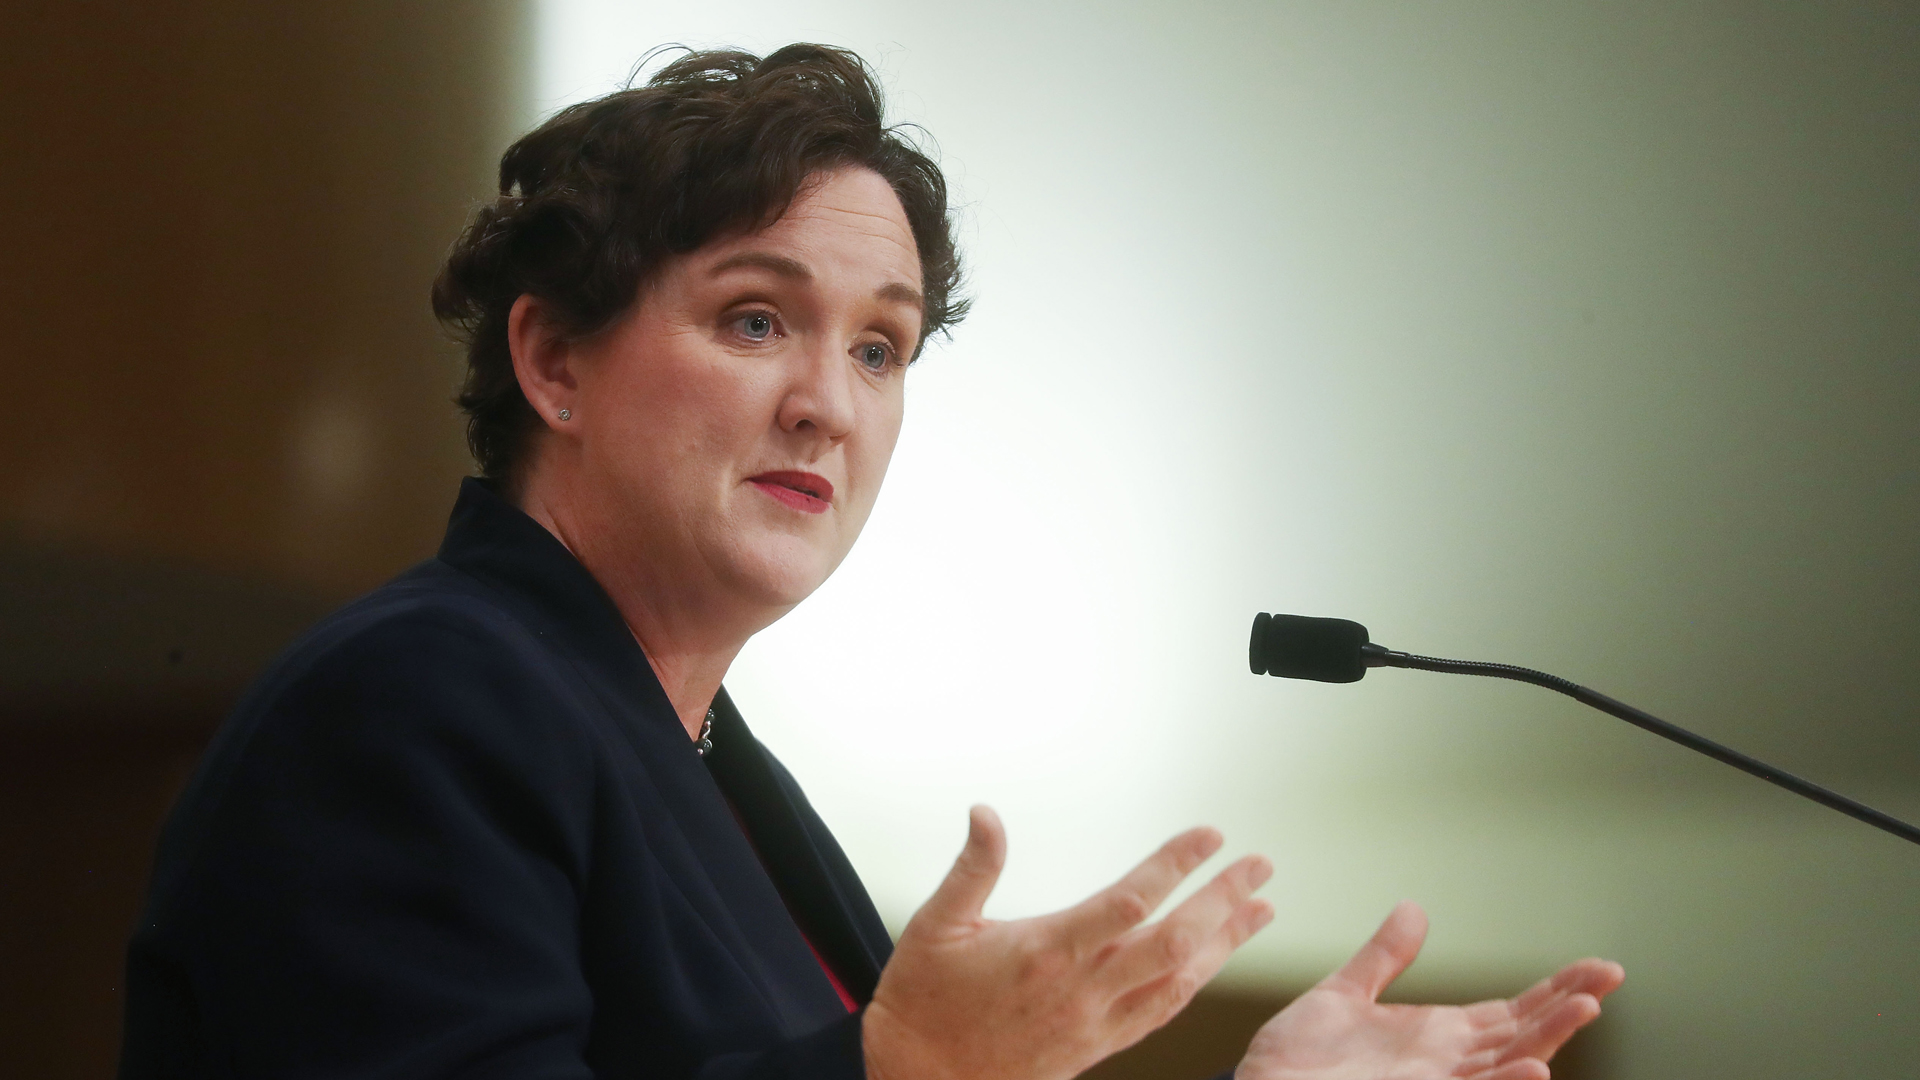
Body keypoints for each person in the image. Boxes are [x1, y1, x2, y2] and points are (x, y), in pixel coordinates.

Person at [119, 44, 1622, 1080]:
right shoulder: (414, 703)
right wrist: (905, 1066)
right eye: (755, 318)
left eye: (882, 347)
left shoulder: (703, 755)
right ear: (553, 359)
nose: (827, 403)